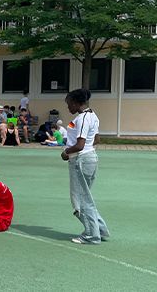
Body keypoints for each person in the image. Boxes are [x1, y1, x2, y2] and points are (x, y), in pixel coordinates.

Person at [61, 88, 110, 245]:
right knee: (86, 197)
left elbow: (80, 145)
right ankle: (100, 230)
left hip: (80, 160)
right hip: (90, 158)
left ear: (76, 103)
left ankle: (91, 235)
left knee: (81, 200)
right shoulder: (93, 116)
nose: (68, 108)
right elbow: (96, 139)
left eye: (69, 104)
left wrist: (66, 152)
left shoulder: (82, 118)